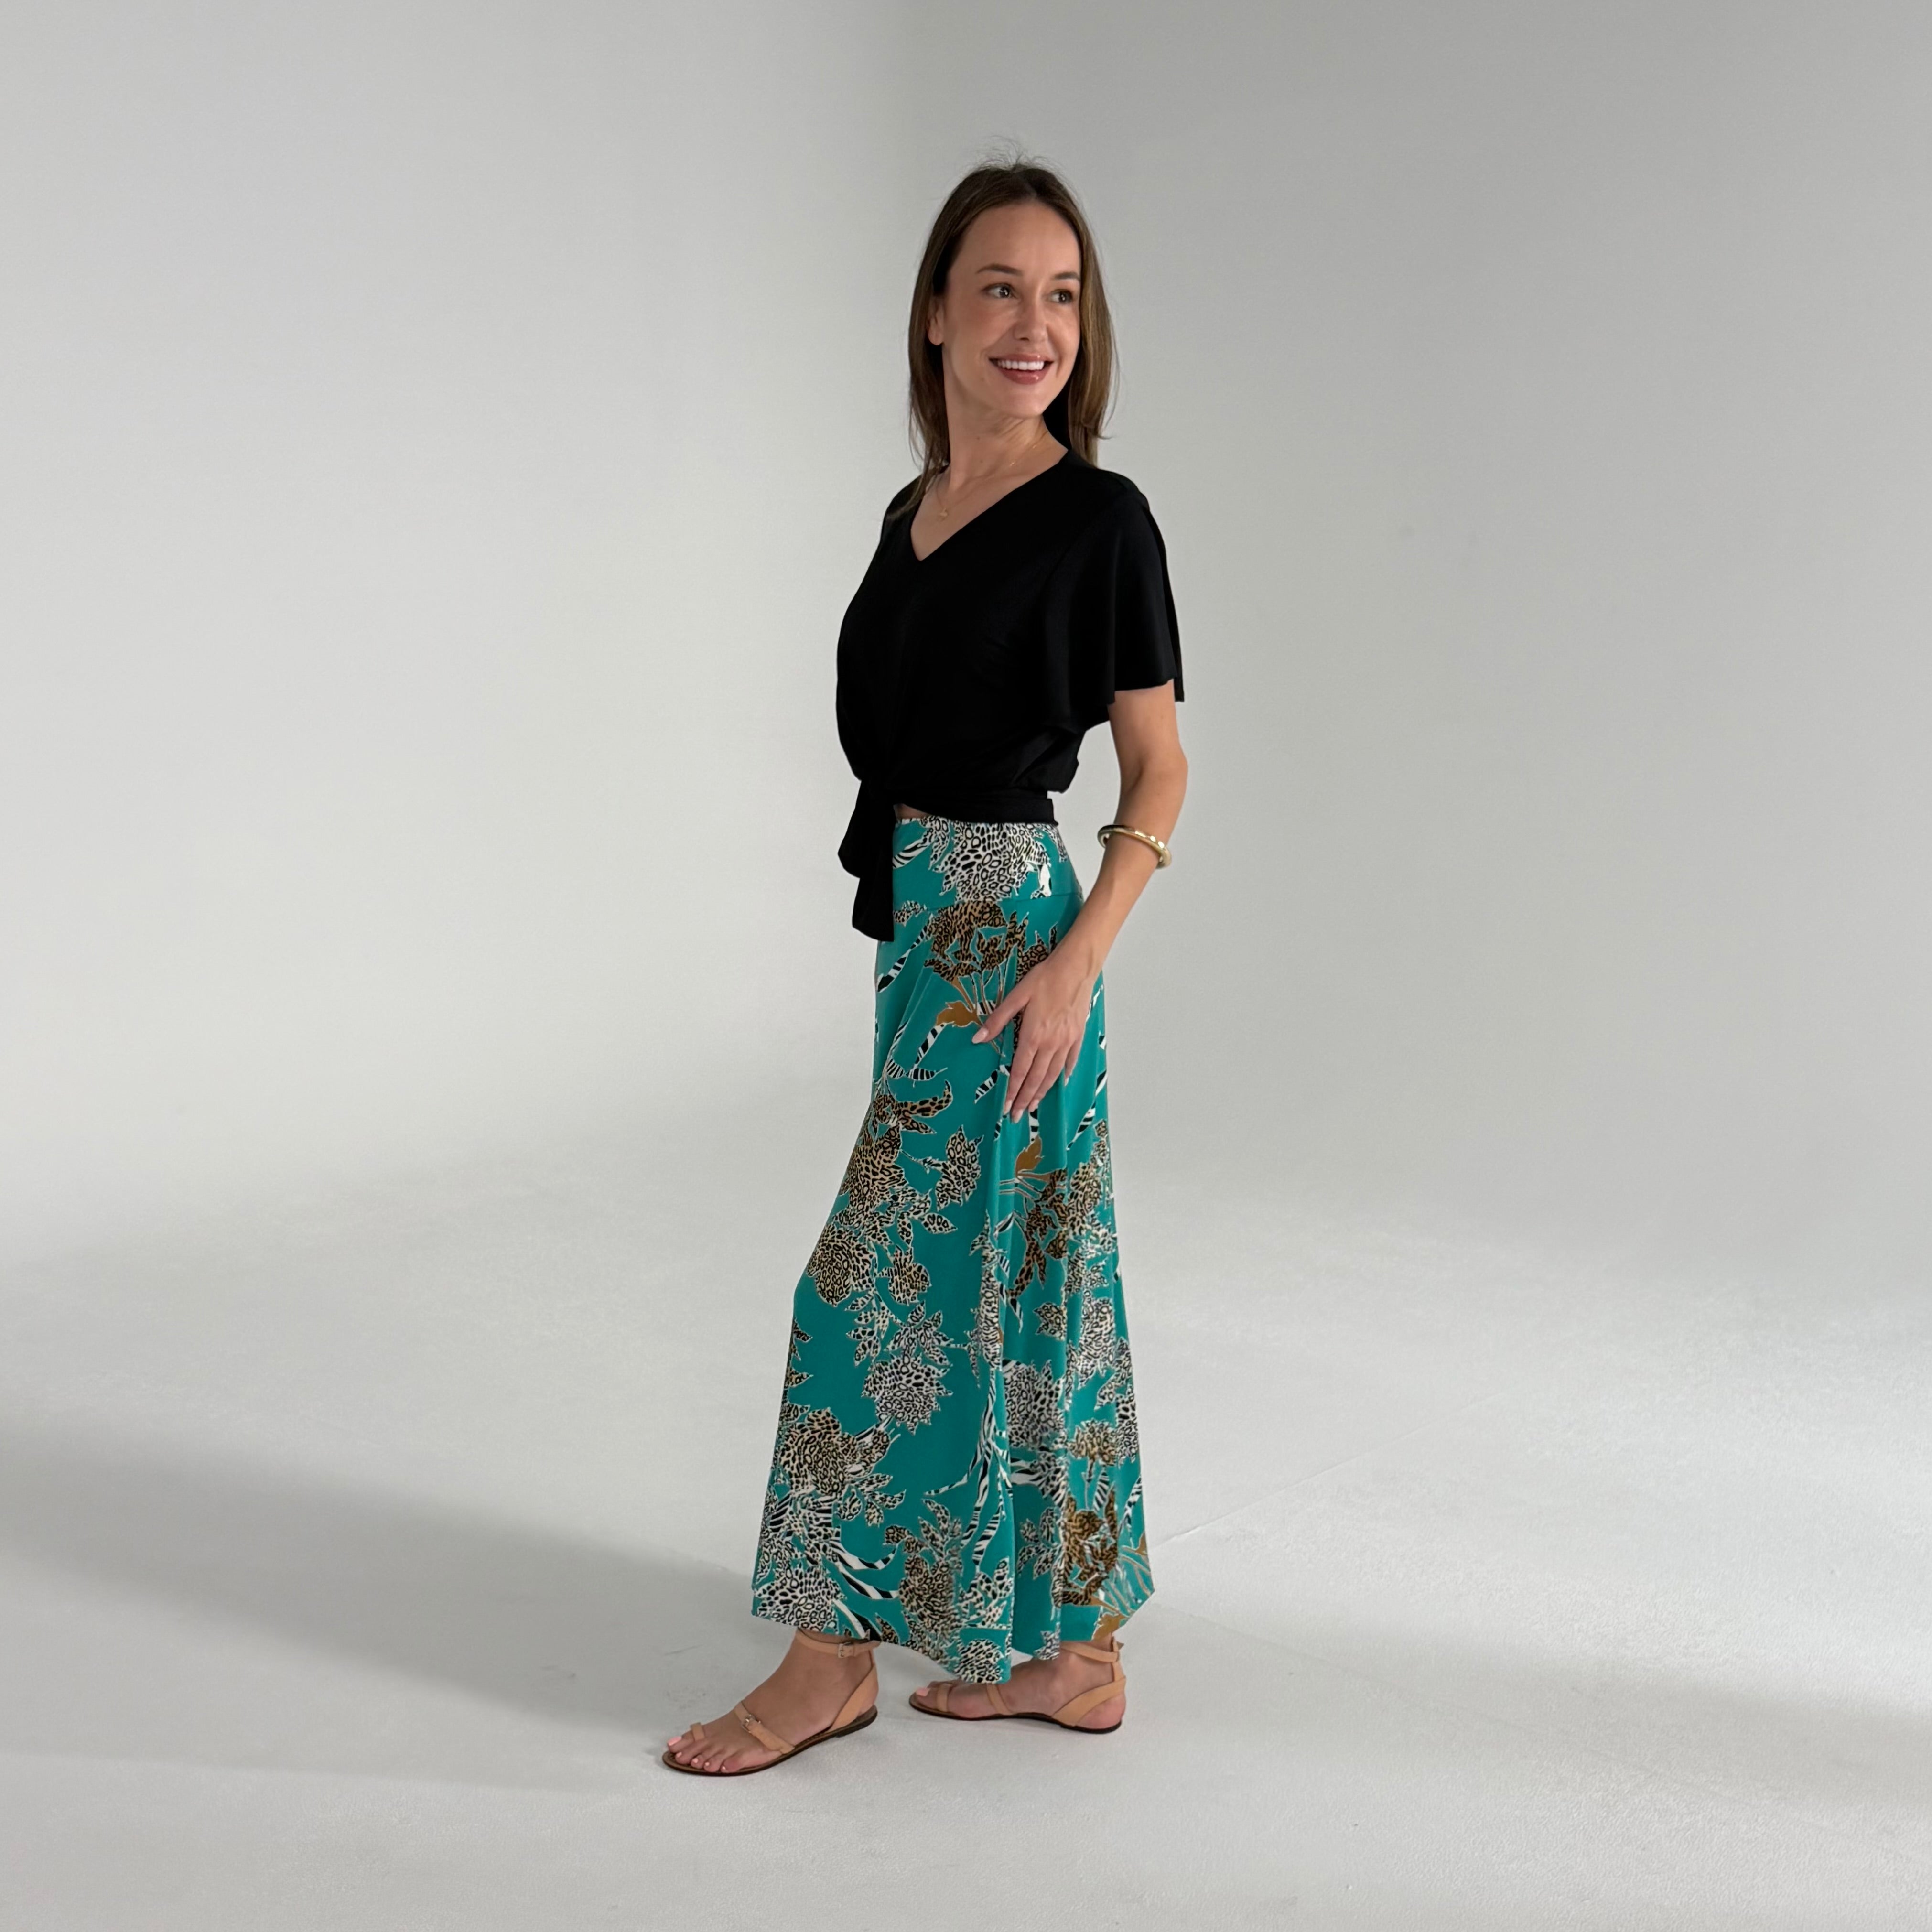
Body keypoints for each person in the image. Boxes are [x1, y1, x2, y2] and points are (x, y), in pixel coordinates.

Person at [665, 159, 1188, 1776]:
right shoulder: (913, 513)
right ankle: (1078, 1655)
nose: (1034, 323)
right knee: (1034, 1272)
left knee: (863, 1288)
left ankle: (826, 1661)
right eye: (1001, 288)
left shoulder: (1101, 520)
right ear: (937, 314)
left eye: (1062, 294)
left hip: (1009, 943)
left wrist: (1072, 966)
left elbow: (1157, 773)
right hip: (923, 934)